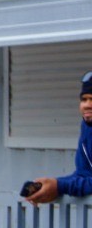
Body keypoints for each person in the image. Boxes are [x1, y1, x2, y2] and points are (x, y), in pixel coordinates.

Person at [20, 71, 92, 204]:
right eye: (84, 99)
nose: (87, 105)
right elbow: (84, 174)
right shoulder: (87, 127)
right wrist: (52, 186)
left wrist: (60, 186)